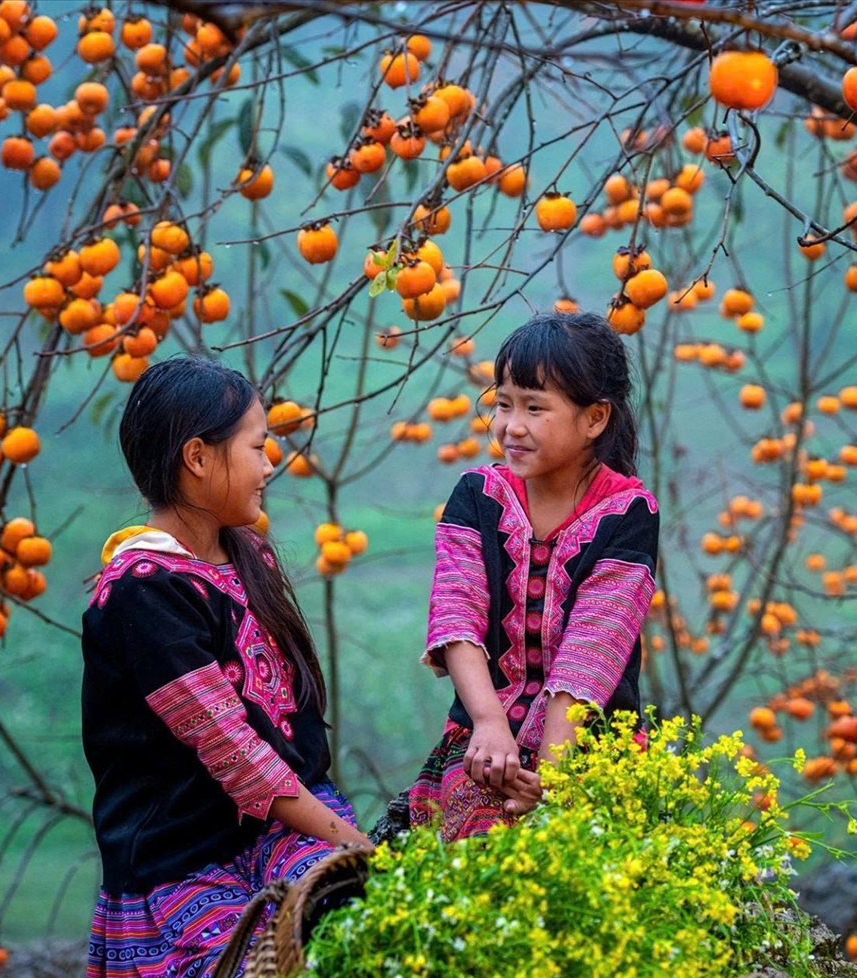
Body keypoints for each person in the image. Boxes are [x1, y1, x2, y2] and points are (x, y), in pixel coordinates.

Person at [82, 357, 370, 978]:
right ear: (198, 458)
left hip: (282, 828)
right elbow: (236, 753)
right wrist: (356, 844)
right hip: (184, 857)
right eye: (257, 448)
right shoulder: (145, 589)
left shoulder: (246, 554)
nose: (269, 466)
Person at [408, 311, 660, 841]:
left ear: (594, 419)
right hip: (485, 745)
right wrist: (490, 723)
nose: (510, 426)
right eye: (503, 403)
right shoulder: (476, 495)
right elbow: (457, 615)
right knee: (470, 853)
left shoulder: (628, 513)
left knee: (578, 858)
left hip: (590, 749)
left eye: (534, 407)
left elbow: (593, 650)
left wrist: (551, 778)